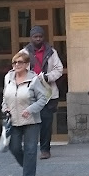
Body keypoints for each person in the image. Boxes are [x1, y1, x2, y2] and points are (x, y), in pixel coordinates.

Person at [1, 50, 49, 176]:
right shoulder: (8, 78)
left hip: (31, 121)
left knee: (30, 150)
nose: (16, 65)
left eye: (20, 62)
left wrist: (31, 109)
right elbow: (5, 97)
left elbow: (43, 98)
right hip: (13, 120)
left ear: (27, 64)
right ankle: (28, 167)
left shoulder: (34, 80)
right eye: (14, 62)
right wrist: (5, 108)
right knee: (14, 147)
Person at [23, 25, 64, 160]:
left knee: (46, 122)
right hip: (31, 93)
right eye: (35, 37)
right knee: (32, 122)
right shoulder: (24, 53)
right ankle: (31, 148)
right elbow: (19, 70)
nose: (38, 39)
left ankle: (45, 149)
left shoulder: (51, 52)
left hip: (48, 92)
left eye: (40, 36)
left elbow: (59, 69)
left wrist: (47, 77)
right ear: (31, 38)